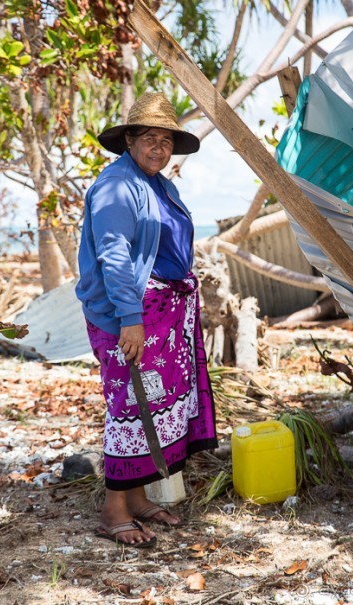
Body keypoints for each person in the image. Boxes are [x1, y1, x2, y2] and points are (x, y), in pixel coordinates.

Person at [76, 92, 218, 547]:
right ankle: (113, 509)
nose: (159, 148)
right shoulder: (117, 185)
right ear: (130, 140)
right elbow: (115, 255)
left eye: (166, 140)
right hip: (129, 315)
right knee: (131, 405)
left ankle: (136, 498)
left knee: (155, 406)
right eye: (150, 138)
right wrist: (131, 320)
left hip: (165, 313)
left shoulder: (159, 185)